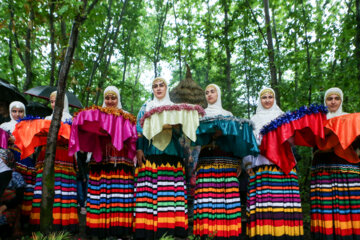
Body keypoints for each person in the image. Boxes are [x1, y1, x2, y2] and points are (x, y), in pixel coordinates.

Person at [243, 87, 304, 239]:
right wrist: (248, 164)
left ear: (274, 99)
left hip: (283, 165)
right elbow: (248, 143)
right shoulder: (253, 120)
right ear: (260, 100)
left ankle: (286, 234)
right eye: (264, 97)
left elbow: (292, 141)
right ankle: (265, 233)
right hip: (261, 165)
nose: (268, 100)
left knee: (282, 200)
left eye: (270, 97)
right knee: (265, 200)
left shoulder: (283, 117)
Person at [134, 77, 188, 239]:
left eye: (161, 85)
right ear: (152, 89)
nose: (158, 89)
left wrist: (172, 126)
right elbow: (139, 130)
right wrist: (139, 149)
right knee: (150, 191)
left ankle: (171, 228)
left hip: (171, 154)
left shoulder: (174, 108)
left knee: (170, 192)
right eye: (155, 86)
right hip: (150, 152)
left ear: (166, 88)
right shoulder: (146, 107)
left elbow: (181, 132)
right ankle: (148, 229)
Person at [193, 84, 248, 239]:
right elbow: (194, 137)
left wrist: (239, 161)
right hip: (206, 161)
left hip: (227, 161)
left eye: (212, 91)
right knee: (207, 197)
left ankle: (227, 233)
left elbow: (235, 140)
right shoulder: (200, 115)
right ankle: (207, 232)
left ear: (219, 94)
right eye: (207, 92)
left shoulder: (228, 114)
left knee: (226, 198)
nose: (209, 95)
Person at [85, 86, 136, 239]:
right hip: (101, 160)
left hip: (120, 161)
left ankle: (119, 230)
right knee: (100, 193)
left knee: (119, 194)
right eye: (107, 98)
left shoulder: (126, 116)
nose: (110, 101)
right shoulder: (96, 115)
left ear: (118, 99)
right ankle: (99, 229)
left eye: (113, 98)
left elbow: (133, 137)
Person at [310, 87, 360, 239]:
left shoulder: (352, 119)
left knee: (348, 206)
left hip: (347, 171)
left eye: (336, 98)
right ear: (325, 101)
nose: (333, 102)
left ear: (341, 100)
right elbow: (313, 145)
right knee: (325, 206)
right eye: (329, 99)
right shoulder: (317, 121)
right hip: (323, 171)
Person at [30, 91, 78, 232]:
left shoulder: (71, 120)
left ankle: (63, 222)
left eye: (57, 101)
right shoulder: (46, 119)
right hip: (47, 155)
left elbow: (75, 142)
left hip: (64, 156)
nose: (54, 104)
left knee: (63, 188)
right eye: (51, 101)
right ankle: (43, 221)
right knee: (45, 187)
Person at [0, 101, 36, 219]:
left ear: (24, 112)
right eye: (14, 111)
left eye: (20, 111)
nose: (17, 114)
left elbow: (33, 146)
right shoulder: (3, 126)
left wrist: (16, 140)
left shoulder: (29, 126)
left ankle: (25, 218)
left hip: (25, 160)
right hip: (7, 162)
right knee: (10, 188)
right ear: (10, 112)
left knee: (24, 189)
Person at [0, 148, 26, 239]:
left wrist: (4, 207)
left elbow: (19, 197)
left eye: (1, 158)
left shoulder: (15, 176)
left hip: (10, 208)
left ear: (7, 159)